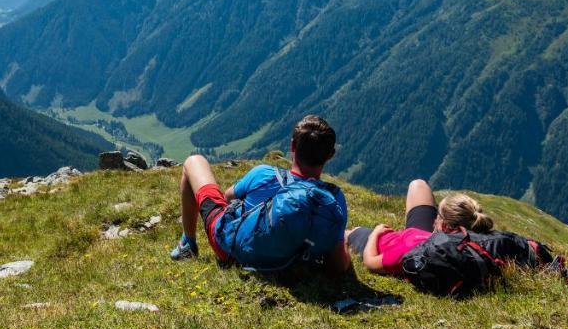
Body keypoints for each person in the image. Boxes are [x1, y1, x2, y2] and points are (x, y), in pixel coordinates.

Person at [170, 114, 351, 274]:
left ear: (292, 146)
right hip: (288, 267)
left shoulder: (263, 174)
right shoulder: (333, 199)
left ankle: (188, 243)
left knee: (194, 161)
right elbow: (338, 266)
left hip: (233, 253)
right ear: (330, 155)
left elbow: (227, 197)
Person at [345, 179, 493, 276]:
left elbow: (370, 263)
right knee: (419, 185)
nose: (434, 217)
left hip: (388, 243)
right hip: (425, 236)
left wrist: (374, 234)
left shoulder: (411, 250)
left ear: (444, 225)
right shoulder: (471, 247)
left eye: (438, 215)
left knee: (349, 233)